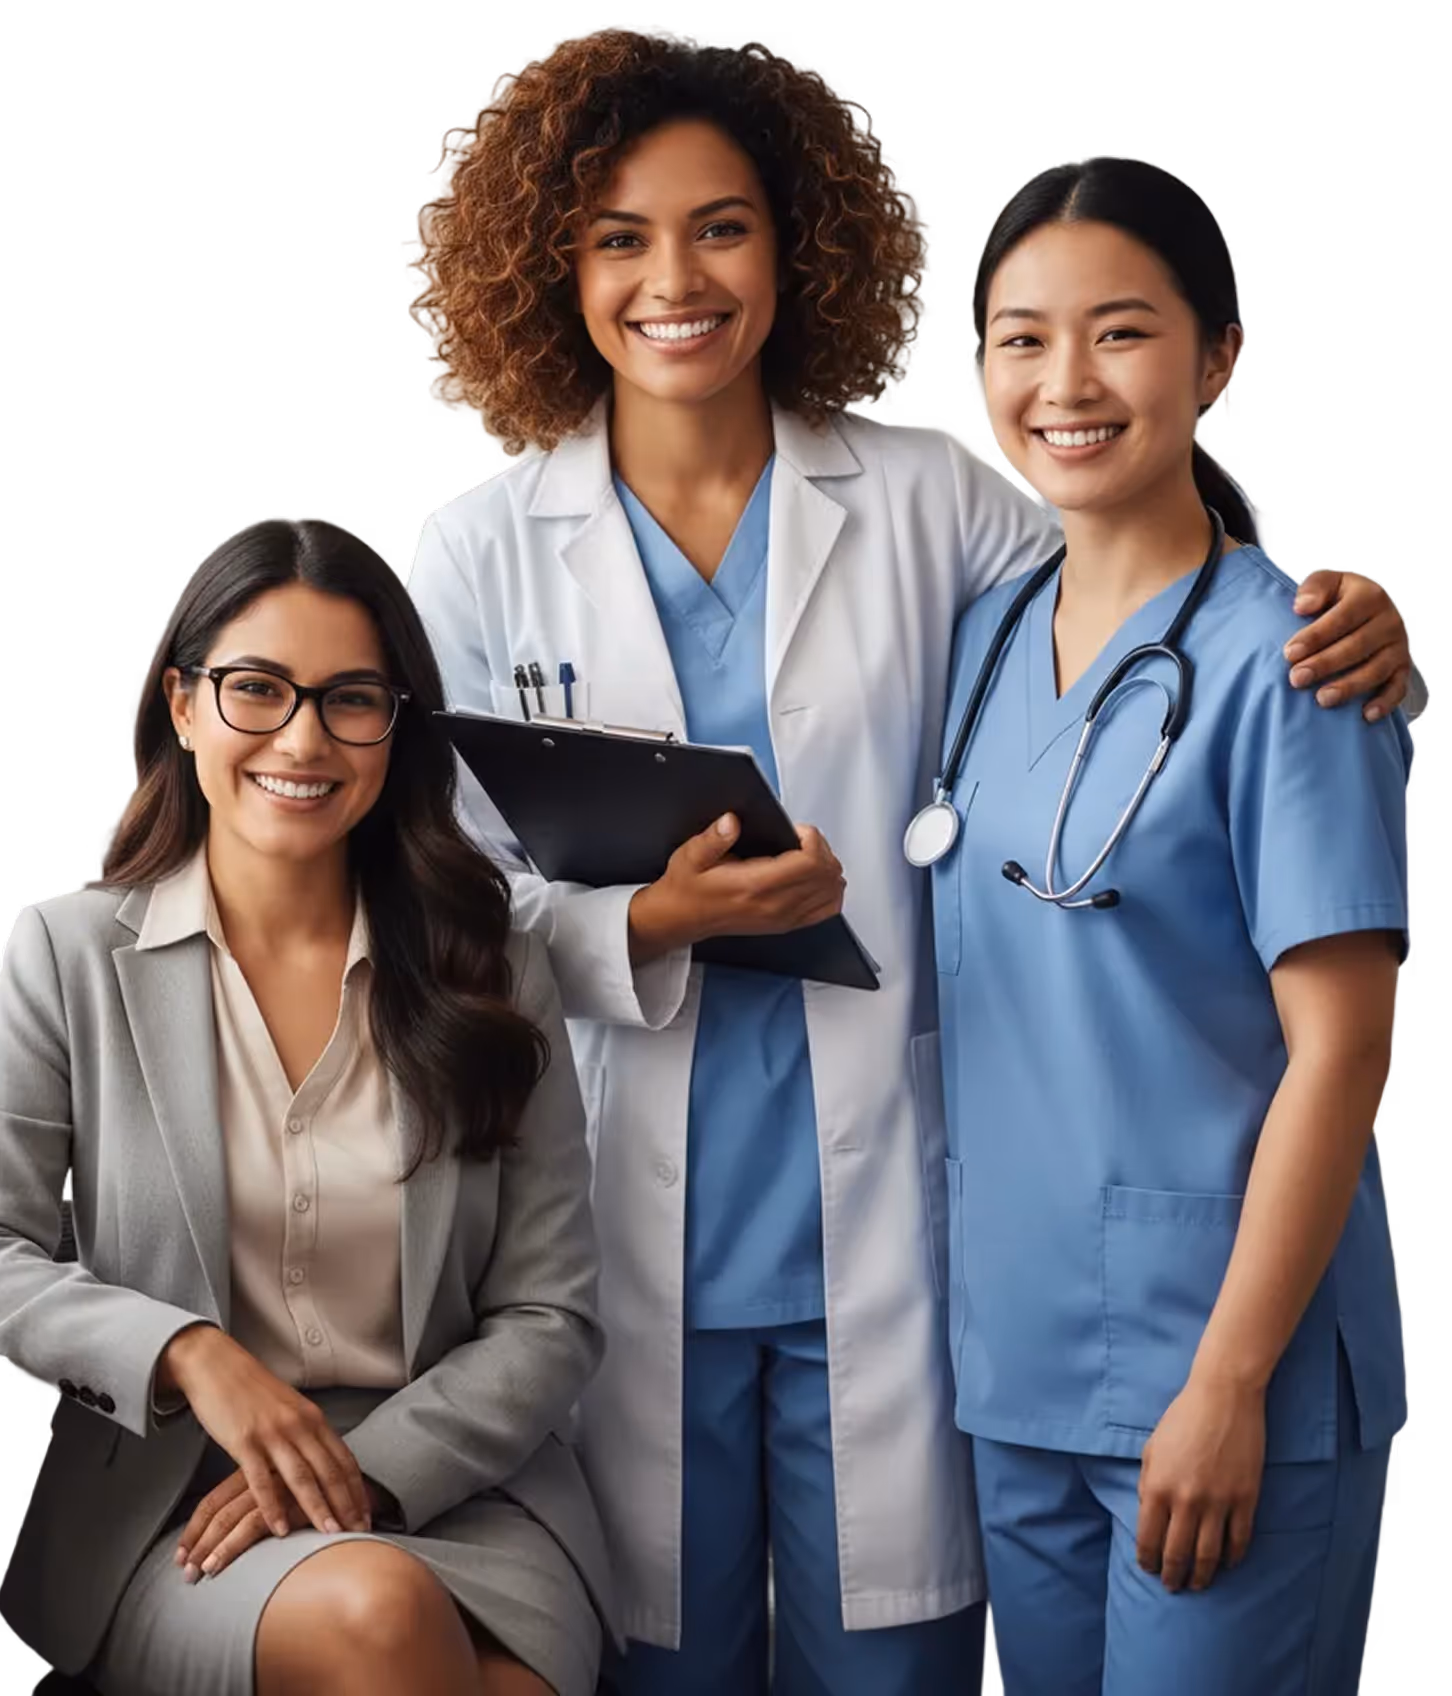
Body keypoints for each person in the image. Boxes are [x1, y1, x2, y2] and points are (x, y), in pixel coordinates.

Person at [402, 25, 1421, 1693]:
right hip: (627, 1222)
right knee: (665, 1660)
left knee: (904, 1665)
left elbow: (1149, 581)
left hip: (915, 1231)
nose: (677, 277)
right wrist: (641, 921)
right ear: (547, 266)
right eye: (619, 236)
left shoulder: (932, 491)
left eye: (723, 224)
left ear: (798, 245)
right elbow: (428, 902)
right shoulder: (481, 547)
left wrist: (1362, 631)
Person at [0, 516, 614, 1696]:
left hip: (455, 1483)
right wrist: (185, 1353)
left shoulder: (491, 964)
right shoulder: (67, 950)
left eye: (350, 698)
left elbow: (551, 1315)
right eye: (256, 690)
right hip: (178, 1497)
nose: (303, 737)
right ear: (182, 708)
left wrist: (369, 1467)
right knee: (379, 1616)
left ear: (396, 728)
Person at [928, 156, 1411, 1695]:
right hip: (1019, 1366)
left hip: (1227, 1370)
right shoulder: (988, 635)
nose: (1063, 381)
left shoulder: (1302, 666)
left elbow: (1344, 1052)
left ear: (1219, 364)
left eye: (1119, 333)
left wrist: (1228, 1381)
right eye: (1021, 337)